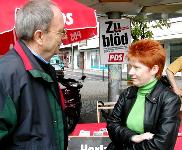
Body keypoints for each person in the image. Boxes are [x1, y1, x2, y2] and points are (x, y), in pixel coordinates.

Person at [0, 1, 68, 149]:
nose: (64, 37)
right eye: (61, 32)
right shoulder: (6, 74)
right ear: (39, 36)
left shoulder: (46, 68)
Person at [106, 39, 181, 150]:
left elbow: (161, 144)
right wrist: (133, 137)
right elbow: (112, 124)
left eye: (136, 67)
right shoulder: (127, 93)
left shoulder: (170, 100)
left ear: (154, 69)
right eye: (131, 66)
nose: (130, 72)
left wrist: (125, 146)